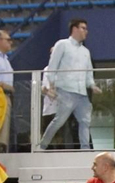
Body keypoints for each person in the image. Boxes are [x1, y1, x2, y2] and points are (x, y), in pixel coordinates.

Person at [40, 19, 99, 151]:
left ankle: (85, 148)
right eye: (83, 28)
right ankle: (42, 145)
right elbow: (52, 66)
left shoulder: (85, 51)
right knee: (59, 121)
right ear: (75, 29)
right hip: (66, 90)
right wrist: (52, 84)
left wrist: (91, 85)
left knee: (85, 121)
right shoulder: (62, 45)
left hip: (81, 92)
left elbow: (88, 72)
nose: (86, 31)